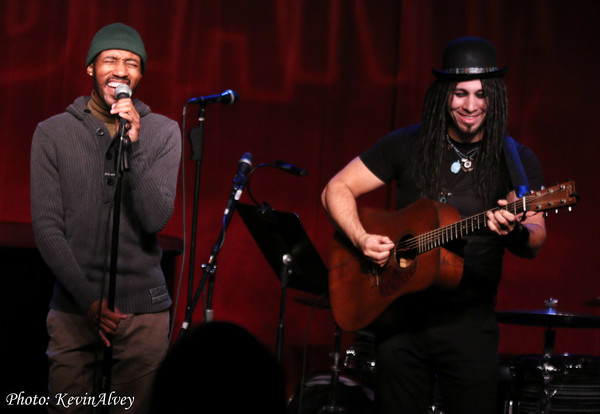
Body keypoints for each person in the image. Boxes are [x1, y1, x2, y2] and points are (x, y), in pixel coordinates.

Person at [321, 37, 546, 414]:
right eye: (460, 94)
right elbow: (336, 189)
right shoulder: (408, 144)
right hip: (400, 318)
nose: (470, 106)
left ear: (494, 97)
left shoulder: (515, 158)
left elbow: (536, 238)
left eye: (480, 95)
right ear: (444, 94)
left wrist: (517, 230)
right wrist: (361, 239)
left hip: (469, 324)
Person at [30, 23, 181, 413]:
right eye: (110, 60)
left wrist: (135, 143)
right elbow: (47, 228)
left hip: (143, 314)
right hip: (74, 308)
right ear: (90, 69)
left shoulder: (163, 132)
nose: (120, 70)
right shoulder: (52, 133)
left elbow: (154, 218)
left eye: (131, 63)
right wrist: (87, 299)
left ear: (140, 75)